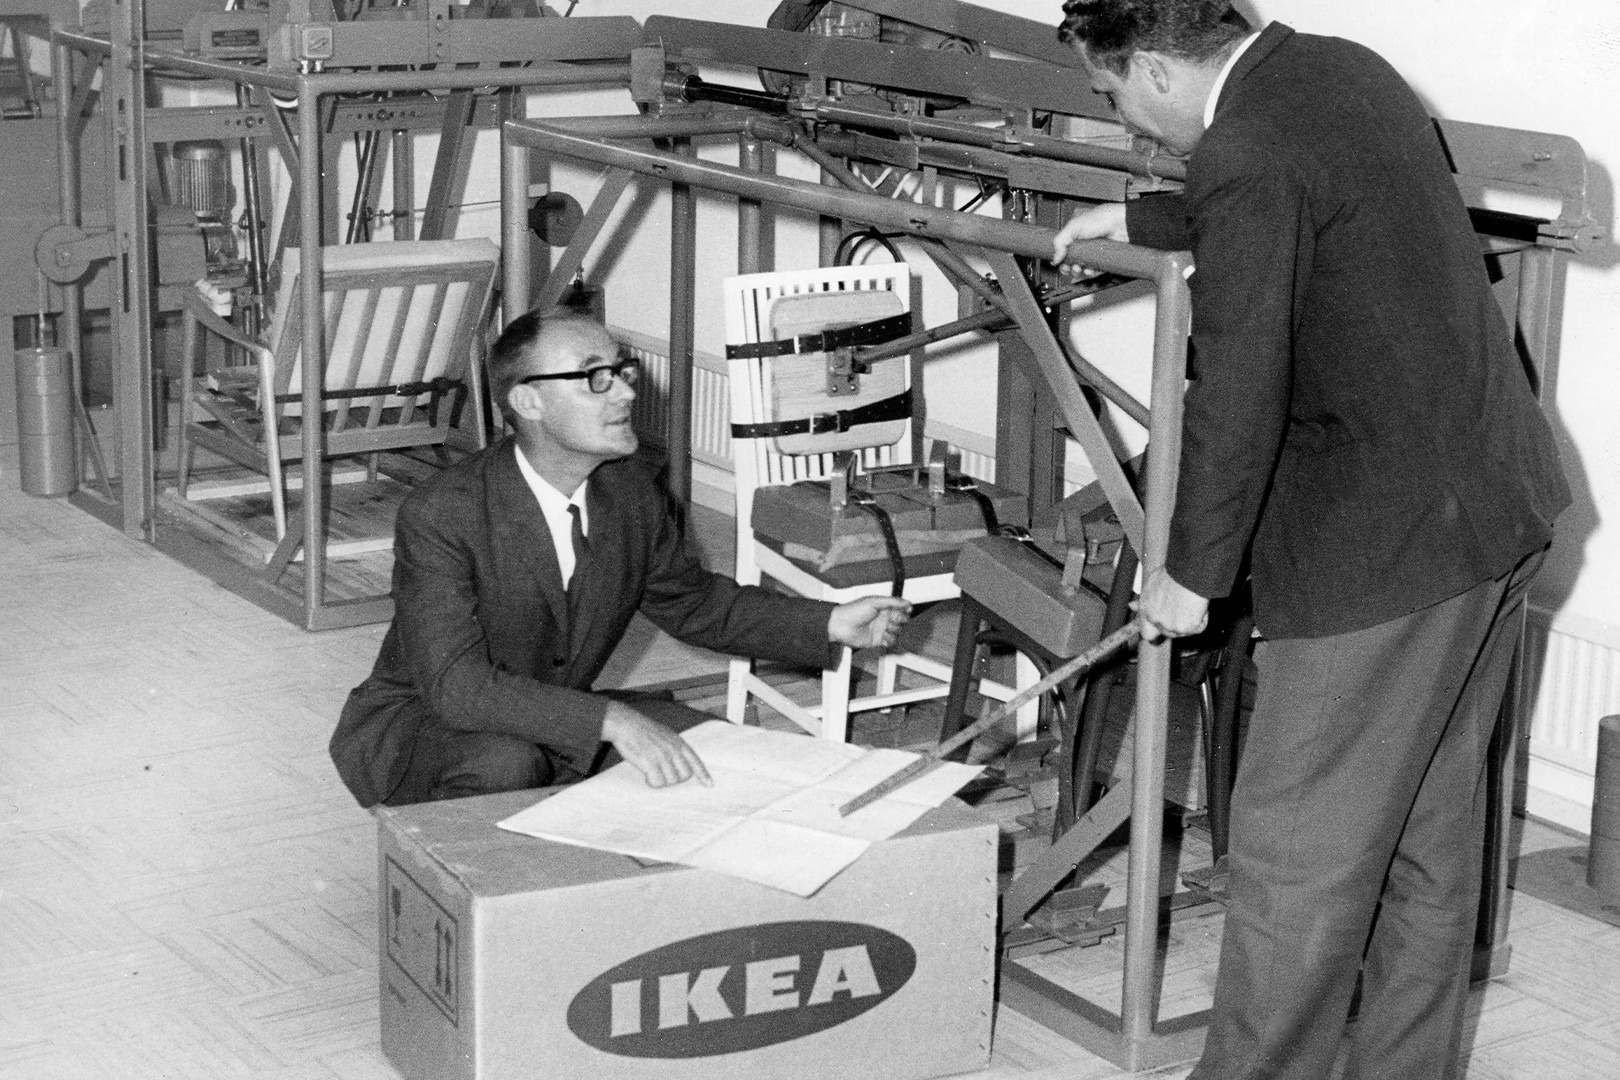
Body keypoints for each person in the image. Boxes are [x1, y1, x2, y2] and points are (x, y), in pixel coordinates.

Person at [1049, 2, 1570, 1078]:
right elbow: (1320, 205)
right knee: (1425, 842)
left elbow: (1237, 386)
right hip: (1493, 504)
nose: (1128, 120)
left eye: (1113, 96)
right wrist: (1153, 219)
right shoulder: (1341, 70)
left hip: (1385, 552)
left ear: (1149, 67)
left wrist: (1189, 575)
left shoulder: (1246, 149)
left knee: (1294, 865)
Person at [330, 308, 911, 808]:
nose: (628, 392)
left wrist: (829, 621)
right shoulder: (443, 512)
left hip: (552, 715)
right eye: (595, 378)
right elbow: (456, 685)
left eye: (622, 372)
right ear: (528, 401)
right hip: (427, 726)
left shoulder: (631, 492)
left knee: (716, 755)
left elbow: (694, 604)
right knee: (508, 764)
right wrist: (611, 722)